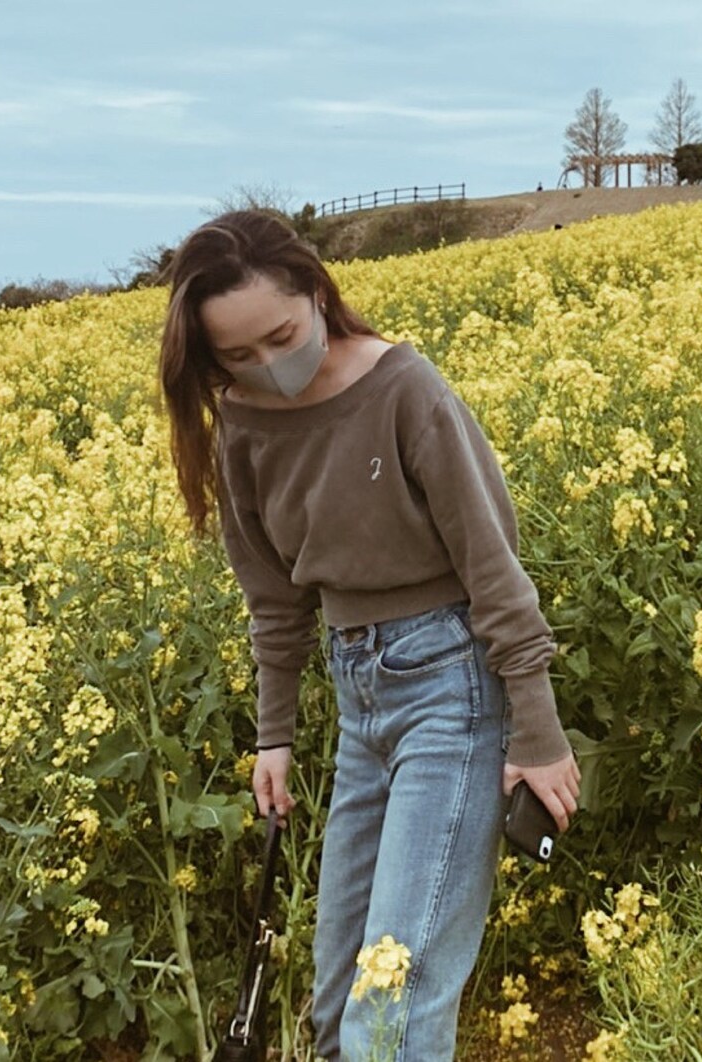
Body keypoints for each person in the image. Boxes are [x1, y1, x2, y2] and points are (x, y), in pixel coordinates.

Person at [159, 211, 580, 1062]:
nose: (267, 365)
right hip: (360, 701)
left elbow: (494, 570)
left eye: (281, 337)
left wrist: (536, 732)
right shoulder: (240, 423)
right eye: (237, 355)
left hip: (451, 685)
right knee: (338, 1010)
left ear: (317, 294)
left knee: (391, 1008)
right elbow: (274, 601)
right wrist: (274, 737)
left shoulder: (404, 390)